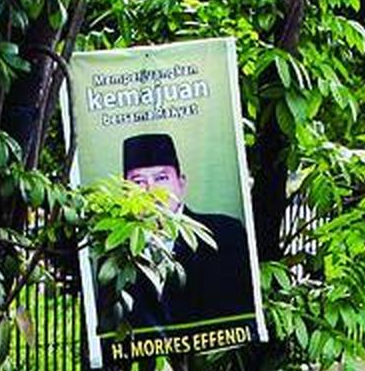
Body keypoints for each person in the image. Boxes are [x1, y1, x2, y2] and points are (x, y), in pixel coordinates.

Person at [101, 133, 255, 332]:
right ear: (125, 192)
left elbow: (245, 316)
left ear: (181, 183)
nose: (151, 191)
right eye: (138, 182)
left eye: (161, 178)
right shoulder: (113, 248)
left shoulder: (226, 234)